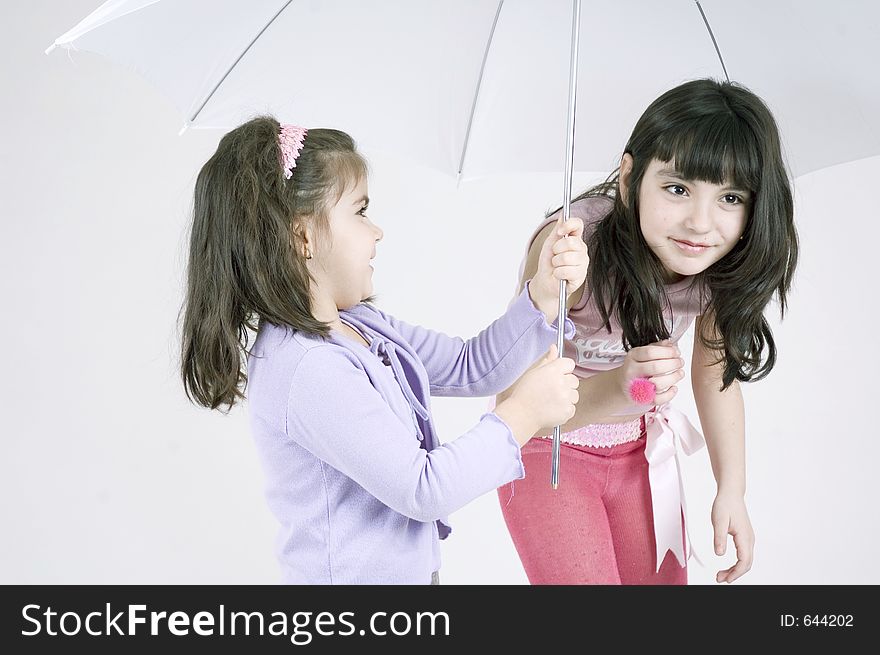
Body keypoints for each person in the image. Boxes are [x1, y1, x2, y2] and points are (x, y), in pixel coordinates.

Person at [179, 116, 587, 584]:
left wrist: (543, 294)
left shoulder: (361, 326)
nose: (377, 231)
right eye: (359, 211)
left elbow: (470, 366)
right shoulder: (306, 366)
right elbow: (423, 488)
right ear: (303, 236)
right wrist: (524, 414)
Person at [495, 78, 798, 585]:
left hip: (638, 452)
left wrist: (731, 490)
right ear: (631, 176)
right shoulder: (572, 247)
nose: (701, 223)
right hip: (545, 453)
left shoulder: (717, 267)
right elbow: (515, 404)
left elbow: (714, 377)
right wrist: (616, 389)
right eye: (677, 189)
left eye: (729, 197)